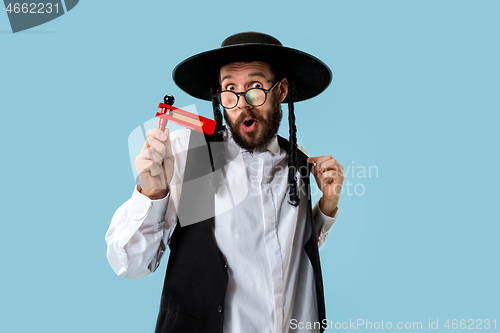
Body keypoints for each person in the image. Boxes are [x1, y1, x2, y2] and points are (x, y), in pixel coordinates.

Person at [105, 32, 345, 333]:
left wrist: (326, 205)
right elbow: (130, 264)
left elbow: (293, 250)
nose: (242, 103)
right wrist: (152, 193)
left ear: (281, 90)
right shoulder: (190, 154)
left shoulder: (299, 160)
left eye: (255, 87)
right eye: (230, 89)